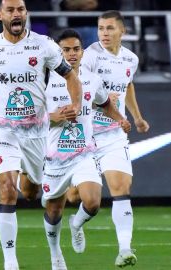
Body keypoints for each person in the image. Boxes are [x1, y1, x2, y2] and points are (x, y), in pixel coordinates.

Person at [0, 1, 82, 269]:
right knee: (7, 190)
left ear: (26, 14)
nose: (16, 14)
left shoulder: (44, 45)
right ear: (0, 15)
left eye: (21, 9)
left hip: (36, 131)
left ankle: (33, 184)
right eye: (10, 10)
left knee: (31, 192)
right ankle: (10, 261)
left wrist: (76, 105)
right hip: (3, 130)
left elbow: (71, 77)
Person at [42, 29, 131, 270]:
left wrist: (120, 119)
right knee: (53, 208)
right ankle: (55, 253)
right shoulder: (46, 78)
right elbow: (31, 118)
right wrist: (55, 116)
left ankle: (76, 224)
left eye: (76, 49)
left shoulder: (92, 79)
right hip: (54, 156)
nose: (71, 54)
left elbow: (104, 105)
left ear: (82, 51)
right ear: (58, 52)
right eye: (66, 50)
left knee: (92, 202)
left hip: (84, 153)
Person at [67, 10, 150, 268]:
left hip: (114, 136)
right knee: (79, 199)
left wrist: (137, 117)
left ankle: (124, 249)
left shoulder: (130, 59)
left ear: (122, 31)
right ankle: (77, 222)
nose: (104, 33)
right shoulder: (90, 56)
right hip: (86, 137)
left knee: (121, 188)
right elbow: (78, 87)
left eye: (110, 28)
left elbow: (128, 85)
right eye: (101, 28)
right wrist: (102, 101)